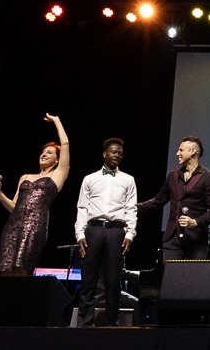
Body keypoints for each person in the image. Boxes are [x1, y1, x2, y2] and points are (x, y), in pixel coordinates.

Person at [0, 113, 70, 275]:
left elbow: (65, 143)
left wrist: (56, 120)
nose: (44, 154)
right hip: (12, 225)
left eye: (49, 153)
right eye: (43, 151)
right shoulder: (25, 177)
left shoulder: (57, 175)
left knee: (21, 270)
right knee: (5, 270)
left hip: (35, 225)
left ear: (57, 160)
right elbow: (14, 207)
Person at [75, 137, 138, 327]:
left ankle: (112, 323)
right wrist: (80, 234)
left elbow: (131, 208)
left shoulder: (128, 179)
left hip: (116, 231)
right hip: (93, 230)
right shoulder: (90, 178)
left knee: (113, 280)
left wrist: (129, 234)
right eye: (113, 151)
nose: (117, 155)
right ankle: (85, 323)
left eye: (120, 152)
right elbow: (82, 208)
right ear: (104, 154)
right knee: (89, 279)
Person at [138, 135, 210, 260]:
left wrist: (195, 222)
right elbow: (157, 201)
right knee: (171, 277)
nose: (177, 153)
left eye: (181, 150)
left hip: (196, 239)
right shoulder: (173, 175)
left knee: (193, 278)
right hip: (172, 238)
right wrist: (131, 208)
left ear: (193, 151)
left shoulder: (209, 177)